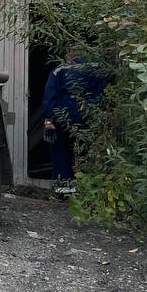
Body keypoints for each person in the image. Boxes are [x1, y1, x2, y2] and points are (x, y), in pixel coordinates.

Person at [41, 49, 107, 193]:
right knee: (86, 151)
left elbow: (49, 94)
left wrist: (48, 120)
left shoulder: (60, 70)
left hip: (63, 117)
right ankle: (85, 189)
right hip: (89, 117)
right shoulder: (98, 69)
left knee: (61, 152)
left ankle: (63, 191)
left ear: (69, 55)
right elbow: (103, 93)